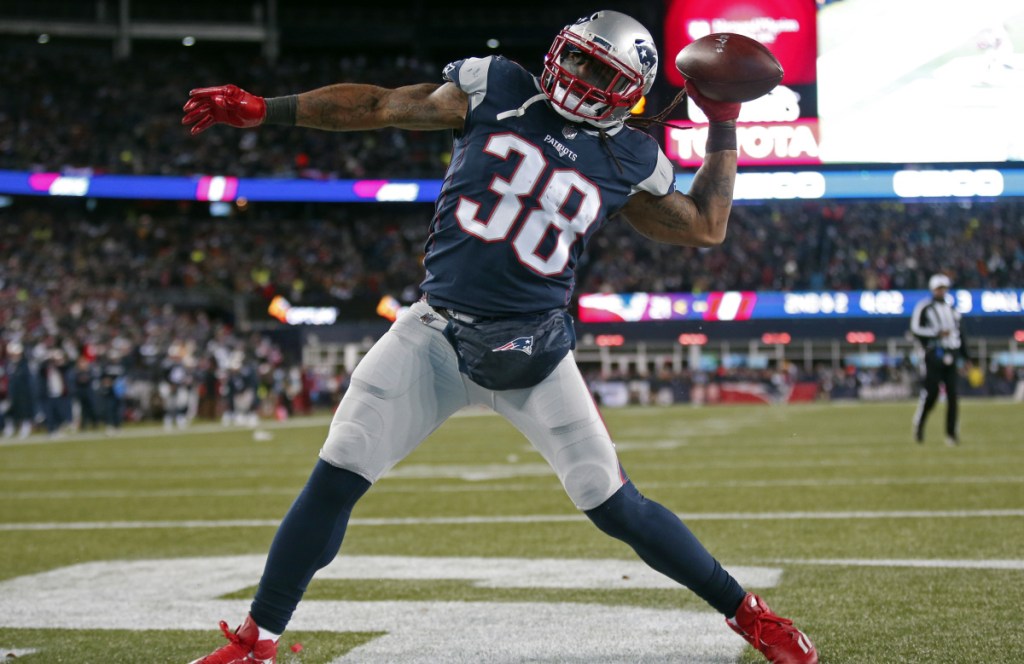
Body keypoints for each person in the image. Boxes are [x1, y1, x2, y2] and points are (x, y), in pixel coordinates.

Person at [181, 10, 818, 664]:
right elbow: (377, 105)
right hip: (433, 335)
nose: (576, 75)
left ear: (630, 89)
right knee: (337, 472)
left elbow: (707, 226)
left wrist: (724, 123)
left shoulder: (630, 155)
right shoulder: (500, 90)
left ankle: (750, 615)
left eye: (600, 70)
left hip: (535, 354)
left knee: (610, 500)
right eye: (575, 57)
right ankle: (257, 642)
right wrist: (265, 109)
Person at [910, 273, 971, 445]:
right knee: (932, 394)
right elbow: (915, 329)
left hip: (951, 354)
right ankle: (920, 425)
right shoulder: (924, 307)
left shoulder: (953, 310)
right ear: (933, 289)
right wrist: (935, 334)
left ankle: (951, 434)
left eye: (944, 288)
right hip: (933, 355)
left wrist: (966, 357)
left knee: (953, 395)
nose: (942, 291)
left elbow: (961, 335)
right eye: (939, 288)